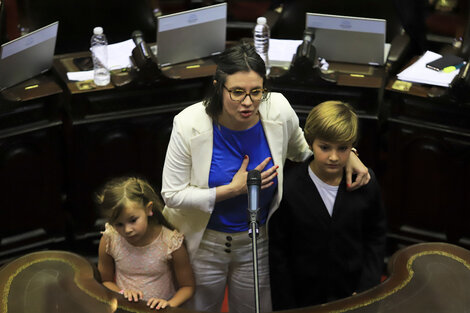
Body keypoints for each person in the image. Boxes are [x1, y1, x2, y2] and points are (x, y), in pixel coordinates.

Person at [161, 43, 370, 313]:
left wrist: (347, 153)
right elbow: (172, 195)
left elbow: (304, 151)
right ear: (218, 86)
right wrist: (230, 190)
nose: (248, 102)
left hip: (256, 242)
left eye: (256, 92)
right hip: (203, 245)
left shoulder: (278, 110)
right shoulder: (188, 124)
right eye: (237, 92)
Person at [269, 101, 387, 310]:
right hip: (304, 296)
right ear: (310, 142)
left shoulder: (365, 183)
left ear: (352, 147)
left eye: (342, 148)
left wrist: (367, 288)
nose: (333, 157)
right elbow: (279, 255)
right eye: (325, 147)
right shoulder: (289, 189)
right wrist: (286, 305)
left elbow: (375, 237)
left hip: (353, 291)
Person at [96, 176, 195, 310]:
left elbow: (187, 286)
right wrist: (122, 293)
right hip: (126, 309)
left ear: (149, 209)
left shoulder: (170, 242)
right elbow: (105, 281)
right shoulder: (110, 239)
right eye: (118, 224)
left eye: (133, 220)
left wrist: (169, 304)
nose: (127, 230)